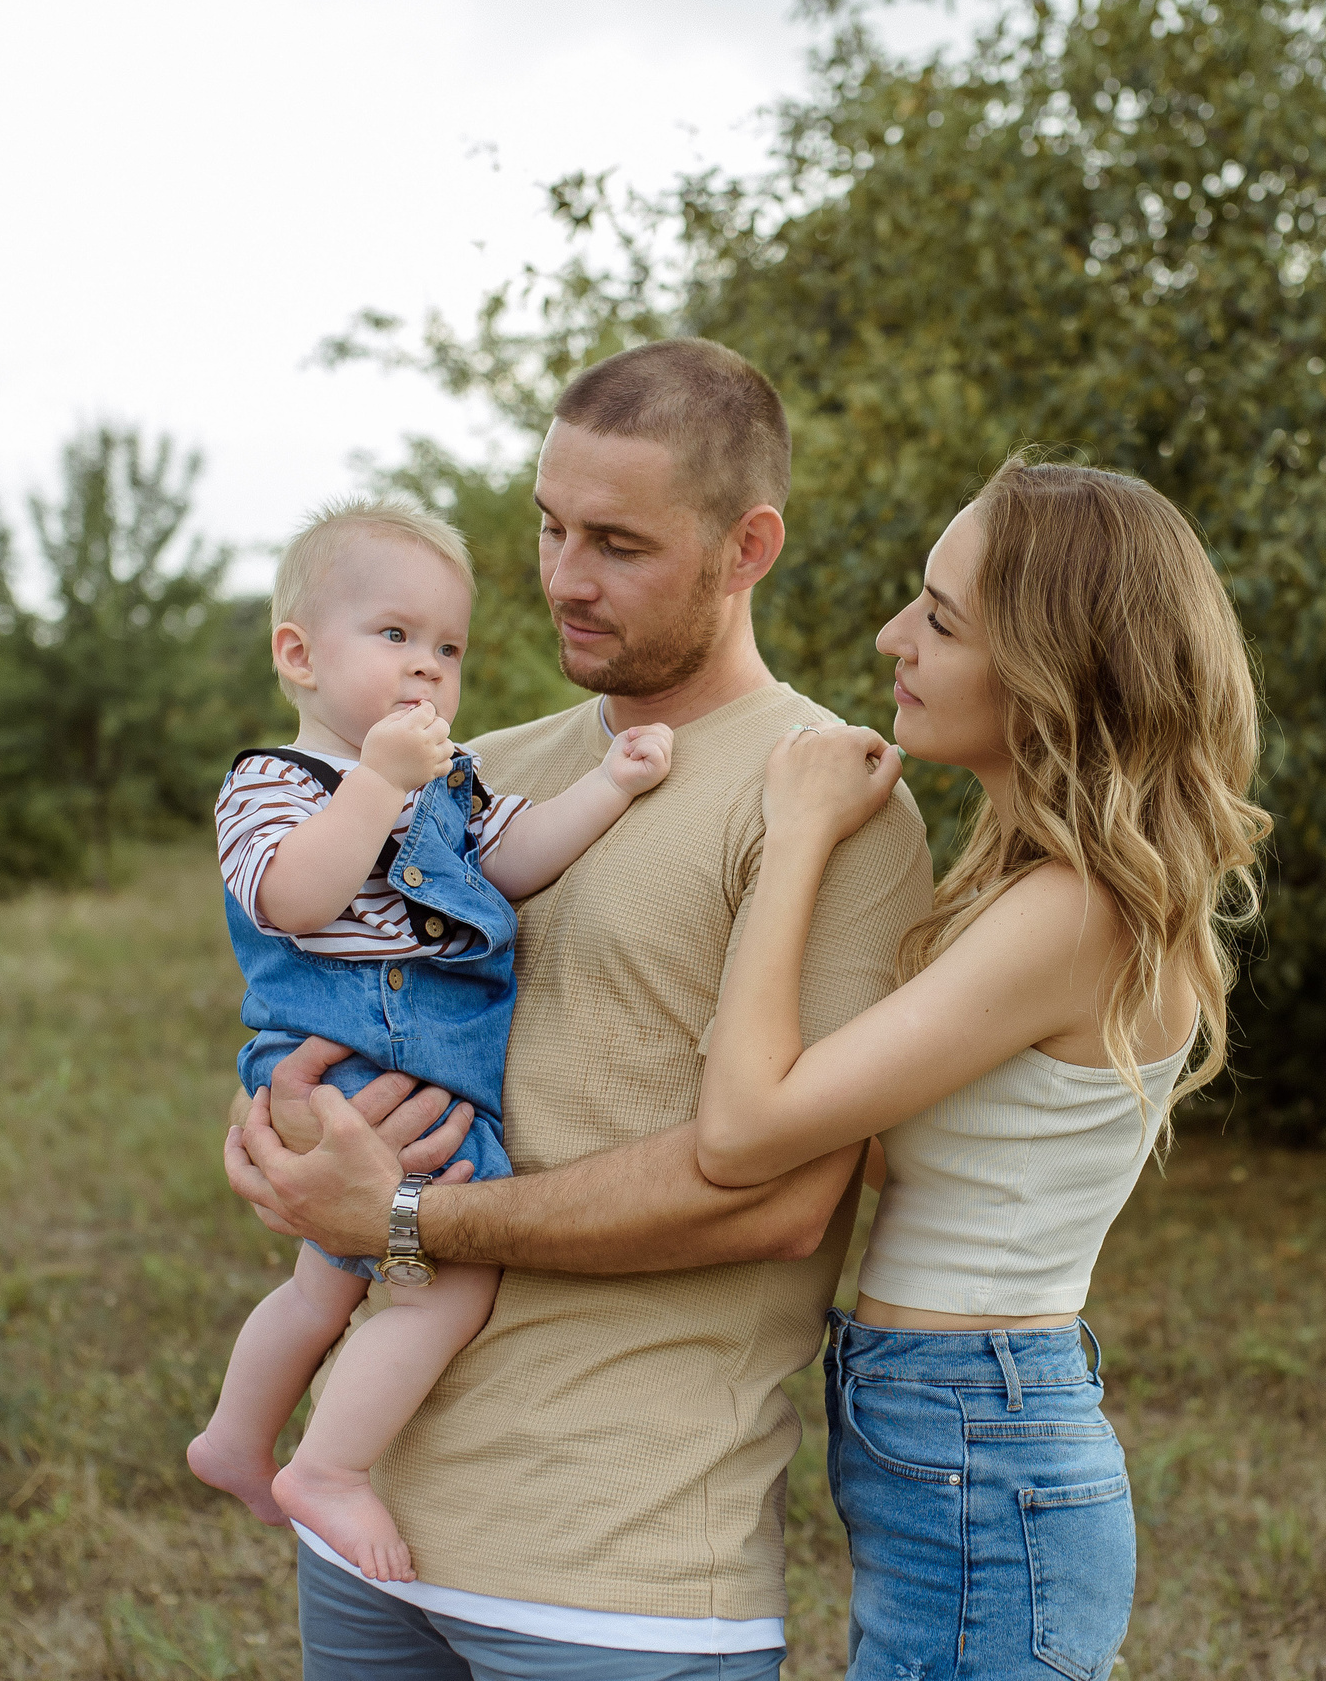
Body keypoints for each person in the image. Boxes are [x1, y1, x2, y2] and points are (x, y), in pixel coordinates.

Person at [225, 339, 935, 1679]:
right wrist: (273, 1141)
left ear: (748, 545)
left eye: (616, 542)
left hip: (615, 1577)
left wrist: (405, 1216)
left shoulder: (832, 800)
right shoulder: (471, 768)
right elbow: (320, 989)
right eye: (550, 528)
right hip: (374, 1533)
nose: (561, 578)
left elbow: (784, 1200)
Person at [690, 455, 1270, 1677]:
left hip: (977, 1431)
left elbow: (744, 1128)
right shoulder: (1031, 893)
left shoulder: (1075, 913)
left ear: (1056, 673)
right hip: (954, 1416)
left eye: (942, 619)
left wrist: (794, 835)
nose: (896, 635)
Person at [187, 496, 675, 1584]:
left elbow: (514, 861)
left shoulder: (449, 785)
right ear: (298, 655)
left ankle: (233, 1436)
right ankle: (331, 1467)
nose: (427, 670)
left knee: (325, 1282)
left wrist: (610, 783)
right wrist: (375, 782)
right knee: (449, 1279)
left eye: (448, 647)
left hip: (404, 1069)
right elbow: (297, 897)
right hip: (348, 1058)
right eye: (395, 636)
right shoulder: (269, 783)